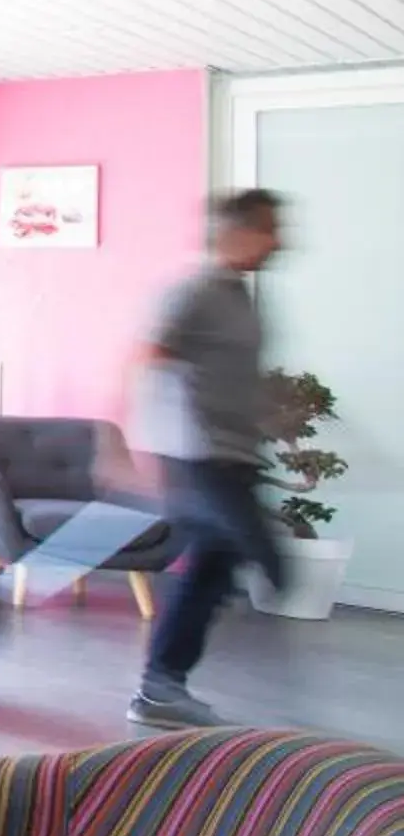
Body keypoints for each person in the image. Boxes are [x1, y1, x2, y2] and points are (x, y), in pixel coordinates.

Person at [132, 188, 288, 729]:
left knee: (210, 573)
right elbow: (147, 358)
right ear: (237, 233)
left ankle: (160, 688)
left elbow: (235, 374)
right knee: (261, 555)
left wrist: (266, 417)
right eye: (271, 228)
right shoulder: (195, 291)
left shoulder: (244, 296)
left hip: (234, 454)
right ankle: (160, 686)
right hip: (197, 455)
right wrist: (138, 445)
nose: (280, 240)